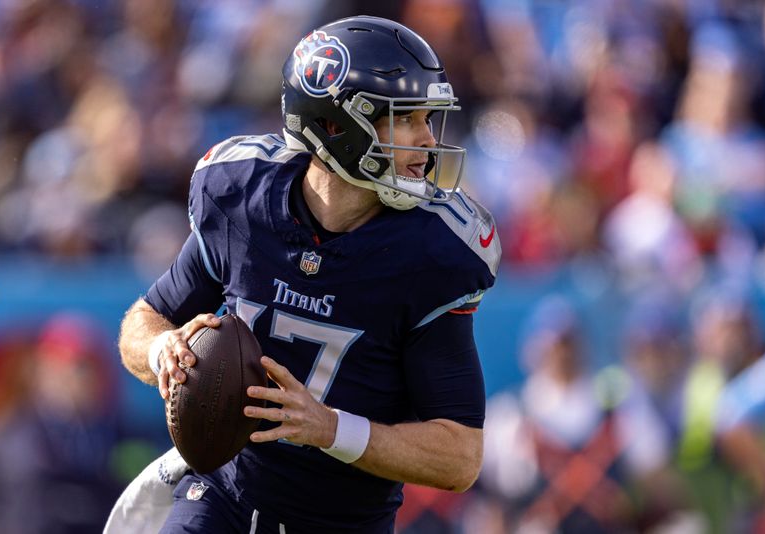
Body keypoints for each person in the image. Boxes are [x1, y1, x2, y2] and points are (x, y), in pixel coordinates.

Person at [116, 15, 500, 534]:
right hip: (221, 494)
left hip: (340, 520)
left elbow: (460, 456)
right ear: (336, 126)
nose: (428, 142)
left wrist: (329, 427)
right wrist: (164, 352)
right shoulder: (242, 199)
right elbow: (146, 320)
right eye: (407, 119)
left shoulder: (431, 253)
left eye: (429, 120)